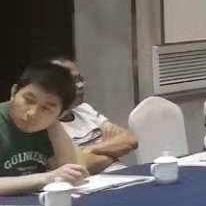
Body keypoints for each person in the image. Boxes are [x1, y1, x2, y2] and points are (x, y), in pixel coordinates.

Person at [0, 62, 88, 195]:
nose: (32, 113)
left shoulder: (49, 126)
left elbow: (76, 174)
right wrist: (47, 178)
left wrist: (54, 123)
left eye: (46, 108)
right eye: (28, 100)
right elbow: (55, 177)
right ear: (13, 92)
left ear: (62, 113)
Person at [51, 58, 139, 174]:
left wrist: (89, 150)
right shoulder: (49, 126)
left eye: (80, 79)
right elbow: (78, 167)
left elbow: (130, 140)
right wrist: (113, 152)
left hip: (124, 175)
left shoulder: (85, 109)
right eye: (73, 81)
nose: (81, 85)